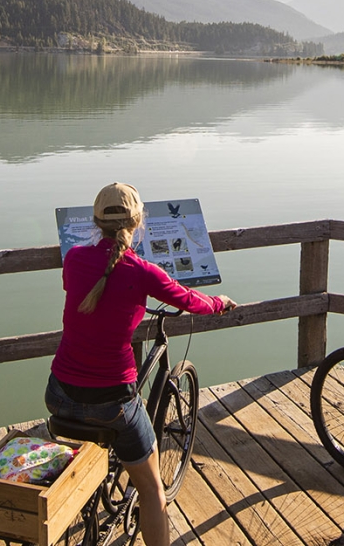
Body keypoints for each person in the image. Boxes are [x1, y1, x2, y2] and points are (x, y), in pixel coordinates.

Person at [48, 183, 236, 546]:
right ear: (139, 224)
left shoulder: (73, 260)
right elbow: (190, 300)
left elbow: (79, 287)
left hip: (58, 393)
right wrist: (220, 302)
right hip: (112, 404)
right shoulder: (143, 272)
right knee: (153, 492)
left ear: (95, 222)